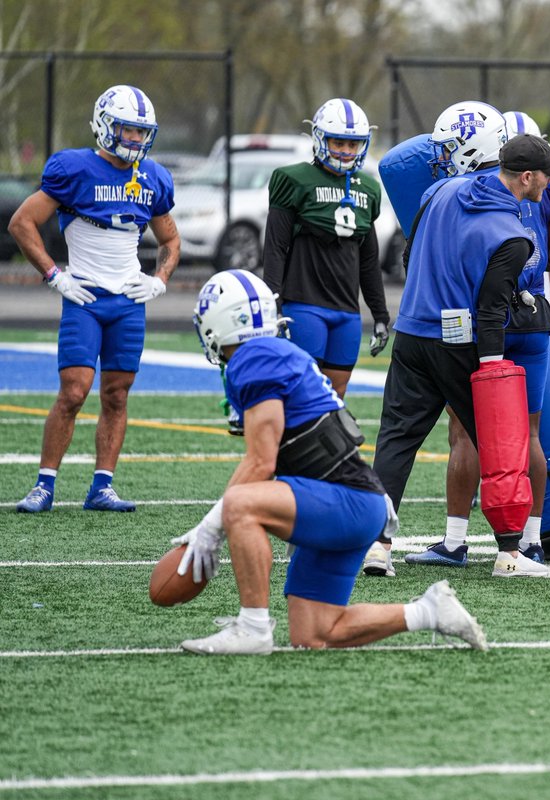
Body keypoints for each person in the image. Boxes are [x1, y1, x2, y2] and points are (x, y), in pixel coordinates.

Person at [176, 270, 486, 654]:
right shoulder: (276, 352)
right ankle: (428, 611)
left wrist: (211, 525)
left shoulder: (253, 357)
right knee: (315, 632)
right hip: (353, 499)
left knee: (239, 504)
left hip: (345, 500)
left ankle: (252, 628)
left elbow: (261, 462)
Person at [371, 124, 550, 579]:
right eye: (545, 174)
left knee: (396, 442)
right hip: (459, 343)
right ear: (525, 178)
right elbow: (490, 311)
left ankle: (377, 545)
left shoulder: (439, 190)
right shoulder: (512, 234)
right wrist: (491, 369)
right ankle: (510, 552)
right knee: (502, 446)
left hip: (412, 333)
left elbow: (409, 254)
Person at [12, 84, 179, 513]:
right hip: (84, 295)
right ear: (106, 126)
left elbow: (170, 239)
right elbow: (22, 223)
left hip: (128, 300)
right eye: (128, 131)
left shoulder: (153, 177)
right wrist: (54, 275)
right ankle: (44, 484)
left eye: (143, 133)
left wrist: (158, 280)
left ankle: (102, 486)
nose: (137, 141)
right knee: (73, 391)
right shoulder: (74, 169)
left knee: (117, 395)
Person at [261, 98, 389, 400]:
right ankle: (291, 449)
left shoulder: (368, 188)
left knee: (336, 394)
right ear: (320, 138)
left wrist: (380, 313)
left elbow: (368, 260)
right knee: (303, 390)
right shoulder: (293, 179)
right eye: (338, 142)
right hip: (304, 303)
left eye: (352, 144)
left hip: (346, 308)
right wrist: (273, 299)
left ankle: (323, 449)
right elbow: (276, 246)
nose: (345, 151)